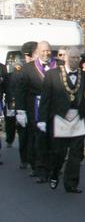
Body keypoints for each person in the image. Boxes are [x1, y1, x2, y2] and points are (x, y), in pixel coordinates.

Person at [38, 46, 85, 193]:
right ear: (65, 58)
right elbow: (45, 99)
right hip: (60, 118)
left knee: (75, 153)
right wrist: (42, 119)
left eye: (78, 58)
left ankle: (71, 183)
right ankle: (54, 173)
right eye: (72, 57)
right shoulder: (53, 75)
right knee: (58, 152)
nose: (75, 60)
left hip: (78, 119)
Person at [15, 40, 57, 183]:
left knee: (53, 140)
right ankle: (40, 170)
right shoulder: (28, 68)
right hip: (35, 108)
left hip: (54, 108)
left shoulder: (59, 65)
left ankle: (52, 169)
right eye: (43, 51)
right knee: (39, 140)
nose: (46, 53)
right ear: (37, 52)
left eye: (48, 50)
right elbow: (21, 90)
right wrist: (20, 110)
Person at [6, 43, 33, 169]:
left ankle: (37, 163)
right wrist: (14, 107)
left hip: (37, 107)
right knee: (24, 134)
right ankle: (24, 159)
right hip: (23, 106)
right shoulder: (19, 70)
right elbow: (14, 89)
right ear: (28, 56)